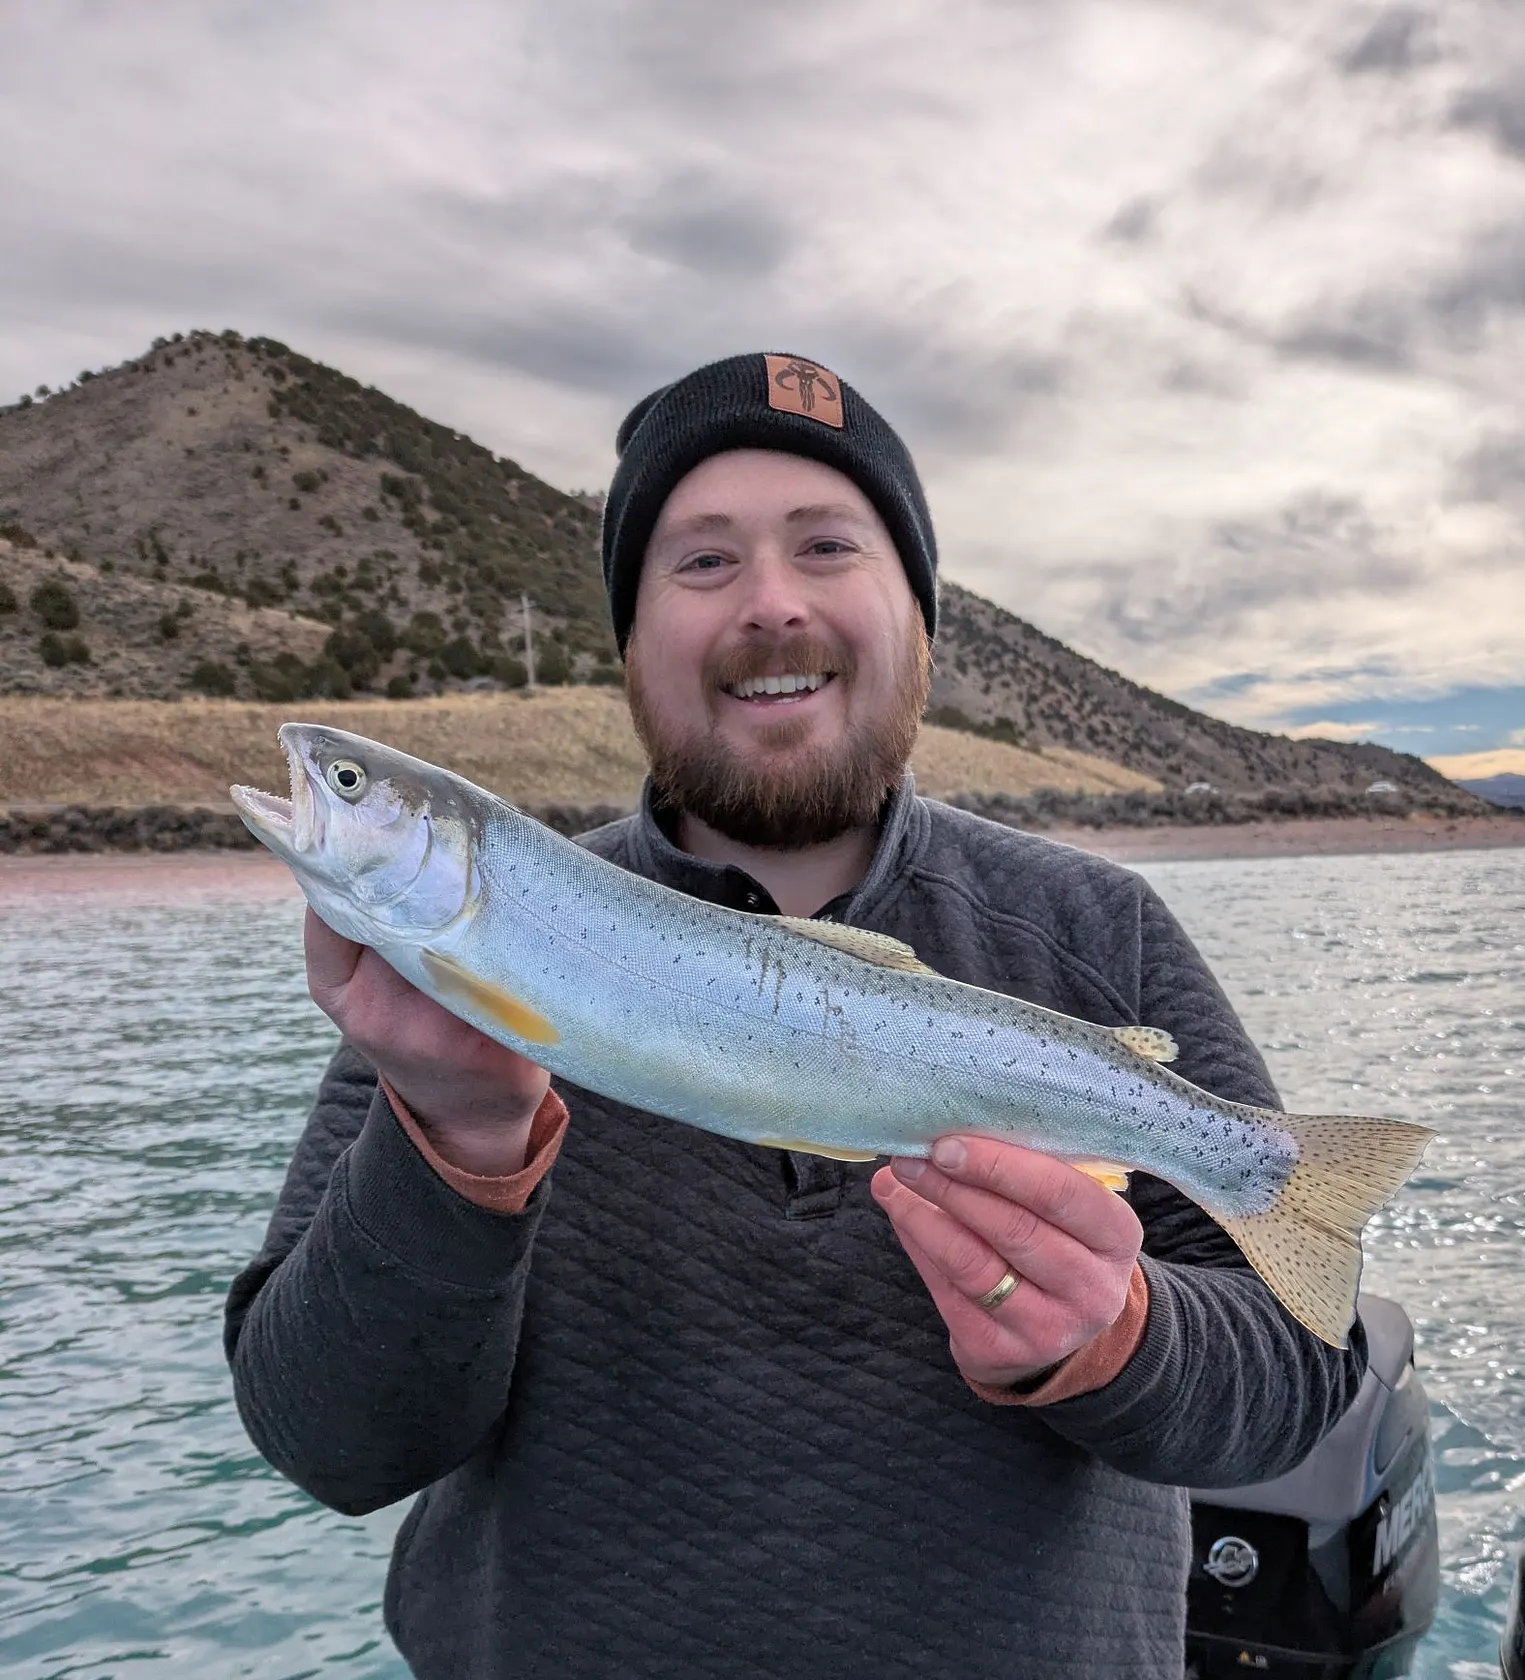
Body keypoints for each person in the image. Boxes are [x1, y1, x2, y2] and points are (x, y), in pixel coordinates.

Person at [226, 352, 1367, 1679]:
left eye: (827, 546)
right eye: (702, 563)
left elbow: (1306, 1364)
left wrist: (1117, 1340)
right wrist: (457, 1150)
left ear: (918, 613)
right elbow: (335, 1447)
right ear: (632, 636)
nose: (771, 604)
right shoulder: (433, 999)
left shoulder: (1095, 935)